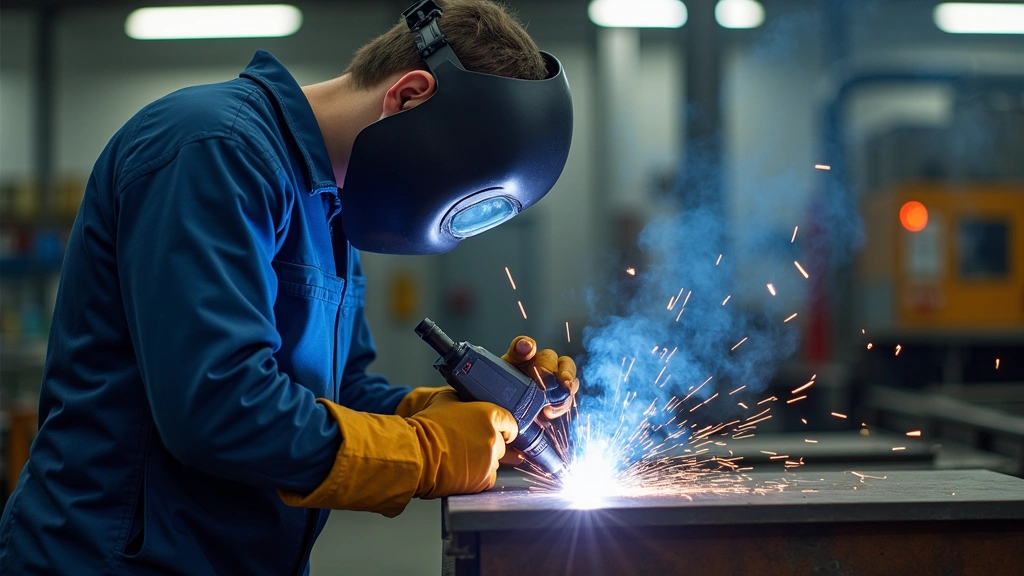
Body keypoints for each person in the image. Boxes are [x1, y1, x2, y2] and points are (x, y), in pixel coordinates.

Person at [0, 1, 576, 574]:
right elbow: (218, 406)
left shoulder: (331, 207)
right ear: (408, 95)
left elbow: (339, 392)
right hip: (113, 562)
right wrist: (426, 452)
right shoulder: (214, 150)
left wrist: (456, 410)